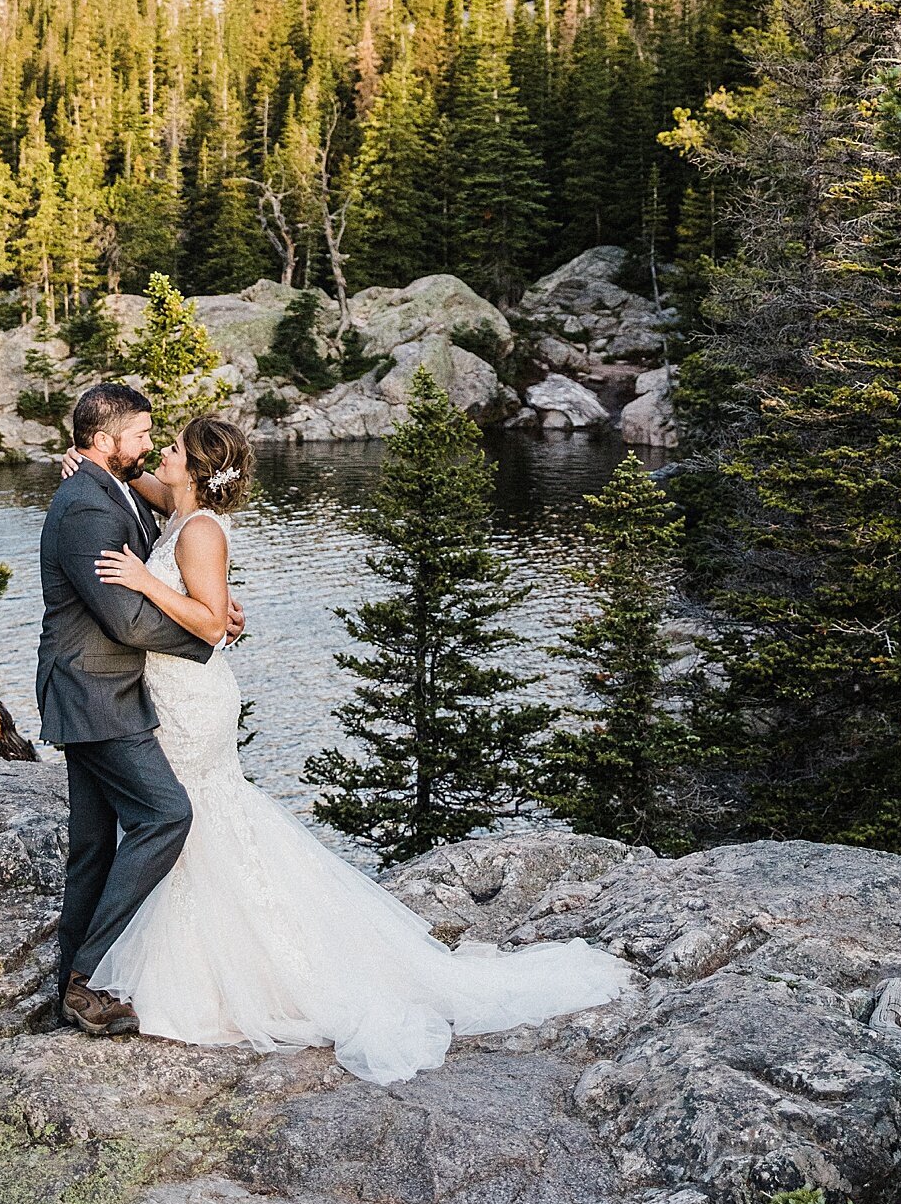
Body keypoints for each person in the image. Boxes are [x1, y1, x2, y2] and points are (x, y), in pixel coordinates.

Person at [87, 411, 633, 1084]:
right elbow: (135, 483)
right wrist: (87, 464)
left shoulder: (200, 530)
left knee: (197, 816)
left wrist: (144, 583)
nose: (161, 456)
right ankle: (213, 965)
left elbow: (210, 624)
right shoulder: (179, 508)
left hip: (192, 700)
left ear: (198, 470)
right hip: (171, 693)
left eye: (172, 450)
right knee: (196, 819)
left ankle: (241, 977)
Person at [36, 380, 243, 1037]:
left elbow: (183, 532)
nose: (153, 446)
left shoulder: (118, 486)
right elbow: (126, 619)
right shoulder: (88, 506)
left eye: (164, 440)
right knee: (166, 813)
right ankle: (87, 977)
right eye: (144, 435)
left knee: (95, 846)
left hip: (108, 688)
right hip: (98, 689)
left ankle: (71, 983)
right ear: (104, 441)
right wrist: (207, 635)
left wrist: (214, 610)